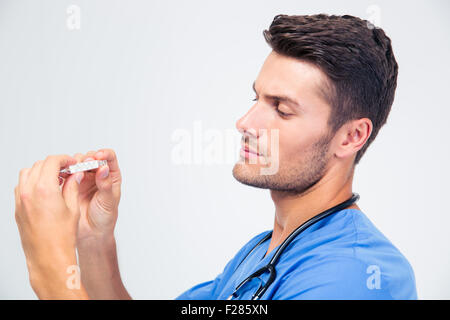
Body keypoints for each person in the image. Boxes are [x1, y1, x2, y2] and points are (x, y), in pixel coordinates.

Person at [14, 14, 417, 300]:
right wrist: (92, 238)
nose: (245, 121)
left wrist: (49, 267)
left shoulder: (355, 276)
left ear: (351, 137)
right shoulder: (261, 254)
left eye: (281, 108)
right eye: (256, 97)